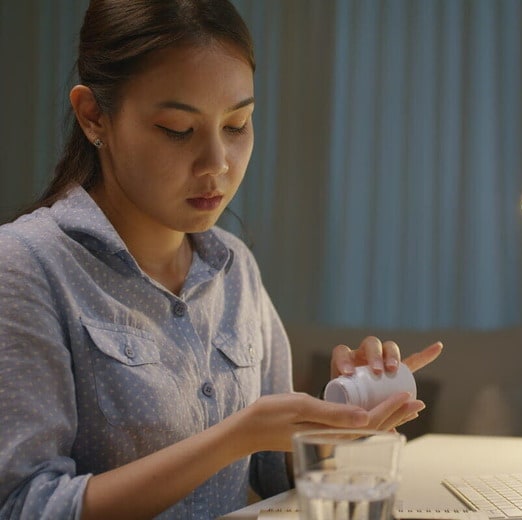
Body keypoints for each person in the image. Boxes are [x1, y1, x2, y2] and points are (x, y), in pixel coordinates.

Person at [0, 1, 442, 518]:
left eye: (237, 125)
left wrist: (345, 417)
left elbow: (276, 471)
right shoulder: (27, 266)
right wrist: (233, 438)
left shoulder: (234, 267)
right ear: (94, 115)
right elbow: (26, 505)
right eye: (177, 129)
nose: (217, 164)